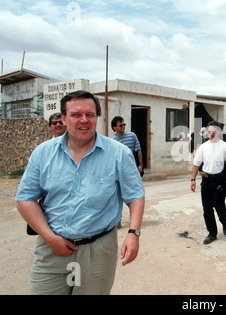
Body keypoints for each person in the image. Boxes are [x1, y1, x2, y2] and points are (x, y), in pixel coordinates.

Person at [15, 90, 145, 295]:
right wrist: (50, 238)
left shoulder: (118, 154)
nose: (84, 120)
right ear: (64, 119)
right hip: (51, 249)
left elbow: (135, 195)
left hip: (98, 251)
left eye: (90, 115)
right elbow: (25, 198)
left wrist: (133, 233)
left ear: (96, 118)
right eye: (76, 115)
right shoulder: (43, 153)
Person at [190, 121, 226, 245]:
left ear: (219, 132)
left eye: (213, 132)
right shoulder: (203, 147)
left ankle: (224, 222)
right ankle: (212, 233)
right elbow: (196, 164)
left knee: (218, 204)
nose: (211, 134)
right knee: (207, 208)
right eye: (209, 132)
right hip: (206, 181)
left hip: (220, 181)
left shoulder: (225, 146)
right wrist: (193, 179)